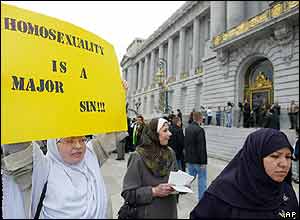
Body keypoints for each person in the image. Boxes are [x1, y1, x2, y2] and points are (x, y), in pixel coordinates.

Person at [190, 128, 299, 219]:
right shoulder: (221, 194)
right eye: (275, 156)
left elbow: (291, 215)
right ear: (255, 158)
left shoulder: (285, 192)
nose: (284, 164)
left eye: (288, 157)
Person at [2, 137, 111, 219]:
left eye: (82, 140)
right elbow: (17, 145)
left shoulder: (90, 160)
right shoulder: (42, 172)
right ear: (54, 144)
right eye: (70, 140)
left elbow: (110, 134)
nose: (78, 146)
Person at [121, 118, 178, 219]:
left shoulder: (170, 153)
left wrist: (183, 186)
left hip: (170, 213)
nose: (170, 134)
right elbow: (128, 193)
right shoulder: (137, 157)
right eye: (165, 130)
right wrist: (154, 191)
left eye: (168, 130)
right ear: (154, 134)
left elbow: (176, 180)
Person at [184, 111, 207, 201]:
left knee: (190, 177)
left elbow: (186, 144)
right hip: (198, 160)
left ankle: (181, 188)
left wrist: (186, 158)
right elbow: (202, 147)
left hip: (190, 159)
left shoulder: (187, 128)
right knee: (202, 180)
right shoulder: (200, 130)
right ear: (200, 118)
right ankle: (202, 199)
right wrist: (203, 162)